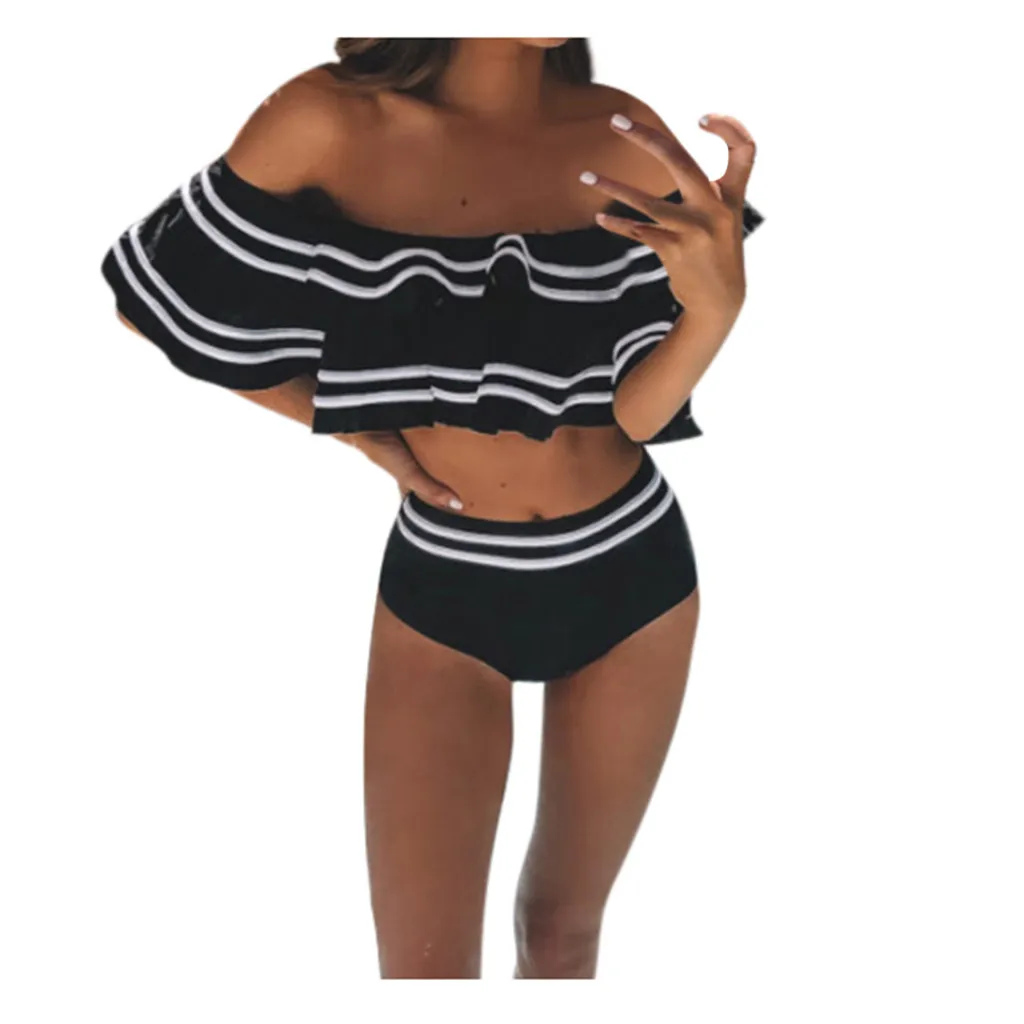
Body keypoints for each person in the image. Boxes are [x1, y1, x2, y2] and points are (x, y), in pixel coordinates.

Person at [99, 37, 763, 979]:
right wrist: (351, 430)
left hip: (635, 574)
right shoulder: (327, 122)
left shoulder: (622, 130)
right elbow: (158, 298)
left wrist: (715, 310)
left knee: (563, 937)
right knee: (422, 974)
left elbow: (636, 414)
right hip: (449, 586)